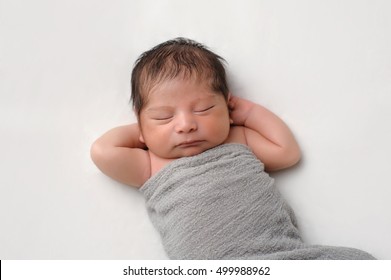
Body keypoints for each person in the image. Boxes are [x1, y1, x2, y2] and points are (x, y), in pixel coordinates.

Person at [90, 38, 375, 259]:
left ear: (227, 106)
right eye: (164, 116)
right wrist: (143, 131)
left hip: (275, 255)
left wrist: (248, 113)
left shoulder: (239, 139)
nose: (186, 125)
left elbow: (287, 153)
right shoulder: (150, 165)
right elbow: (103, 151)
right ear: (141, 126)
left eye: (203, 109)